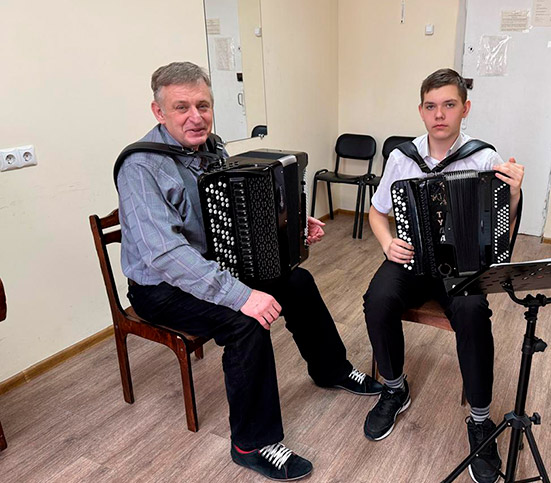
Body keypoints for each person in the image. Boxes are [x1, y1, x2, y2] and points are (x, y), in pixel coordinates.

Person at [116, 61, 382, 481]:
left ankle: (330, 369)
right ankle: (252, 444)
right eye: (181, 107)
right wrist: (242, 295)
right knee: (245, 322)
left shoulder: (212, 148)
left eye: (203, 105)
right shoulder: (141, 167)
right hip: (160, 288)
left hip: (213, 266)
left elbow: (236, 214)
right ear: (158, 112)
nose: (196, 116)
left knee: (297, 281)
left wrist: (293, 227)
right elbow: (164, 255)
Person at [362, 68, 524, 483]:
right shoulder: (402, 157)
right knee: (377, 299)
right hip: (412, 258)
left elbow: (501, 231)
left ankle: (480, 419)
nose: (439, 114)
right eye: (431, 106)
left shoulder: (483, 157)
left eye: (449, 105)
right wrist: (387, 242)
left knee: (472, 313)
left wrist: (514, 193)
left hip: (463, 264)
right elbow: (377, 212)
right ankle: (394, 387)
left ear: (464, 109)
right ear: (421, 110)